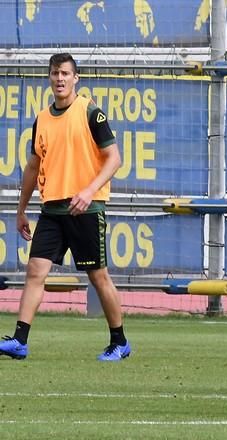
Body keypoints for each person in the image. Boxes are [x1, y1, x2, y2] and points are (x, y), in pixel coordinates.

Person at [0, 53, 130, 361]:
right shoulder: (42, 119)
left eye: (65, 74)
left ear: (76, 78)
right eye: (55, 73)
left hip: (86, 208)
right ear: (49, 78)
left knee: (98, 277)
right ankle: (20, 340)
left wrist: (89, 190)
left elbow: (115, 158)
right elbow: (33, 166)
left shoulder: (90, 112)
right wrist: (21, 210)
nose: (60, 79)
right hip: (52, 210)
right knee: (35, 271)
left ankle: (120, 342)